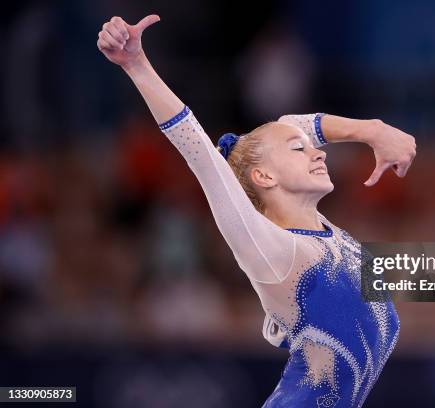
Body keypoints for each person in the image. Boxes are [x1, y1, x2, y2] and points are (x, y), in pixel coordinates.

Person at [97, 14, 416, 408]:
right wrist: (136, 64)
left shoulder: (334, 239)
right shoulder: (274, 250)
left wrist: (372, 130)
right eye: (299, 150)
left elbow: (292, 124)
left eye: (311, 147)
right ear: (263, 176)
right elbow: (196, 147)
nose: (318, 152)